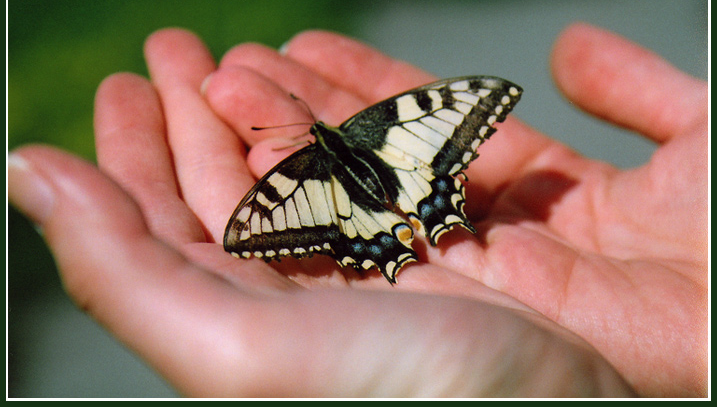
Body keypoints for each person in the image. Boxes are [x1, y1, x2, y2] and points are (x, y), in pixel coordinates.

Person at [8, 23, 707, 397]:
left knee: (288, 210)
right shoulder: (380, 126)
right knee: (373, 186)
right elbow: (442, 107)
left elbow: (262, 216)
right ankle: (419, 215)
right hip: (410, 180)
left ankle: (401, 227)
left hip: (367, 215)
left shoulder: (295, 176)